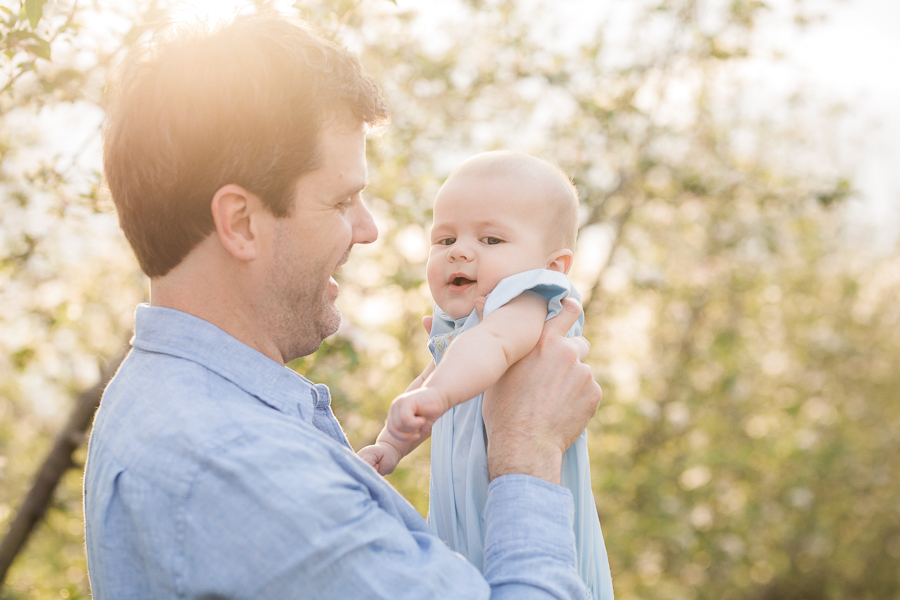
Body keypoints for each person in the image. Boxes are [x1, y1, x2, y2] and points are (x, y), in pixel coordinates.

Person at [84, 14, 603, 600]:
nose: (370, 230)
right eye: (342, 201)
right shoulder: (247, 473)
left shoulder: (161, 399)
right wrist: (529, 449)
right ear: (240, 222)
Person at [358, 151, 614, 600]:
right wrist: (391, 444)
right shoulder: (461, 330)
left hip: (526, 531)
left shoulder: (530, 300)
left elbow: (489, 346)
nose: (460, 250)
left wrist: (436, 396)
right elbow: (432, 378)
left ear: (553, 266)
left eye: (491, 240)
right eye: (445, 238)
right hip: (468, 529)